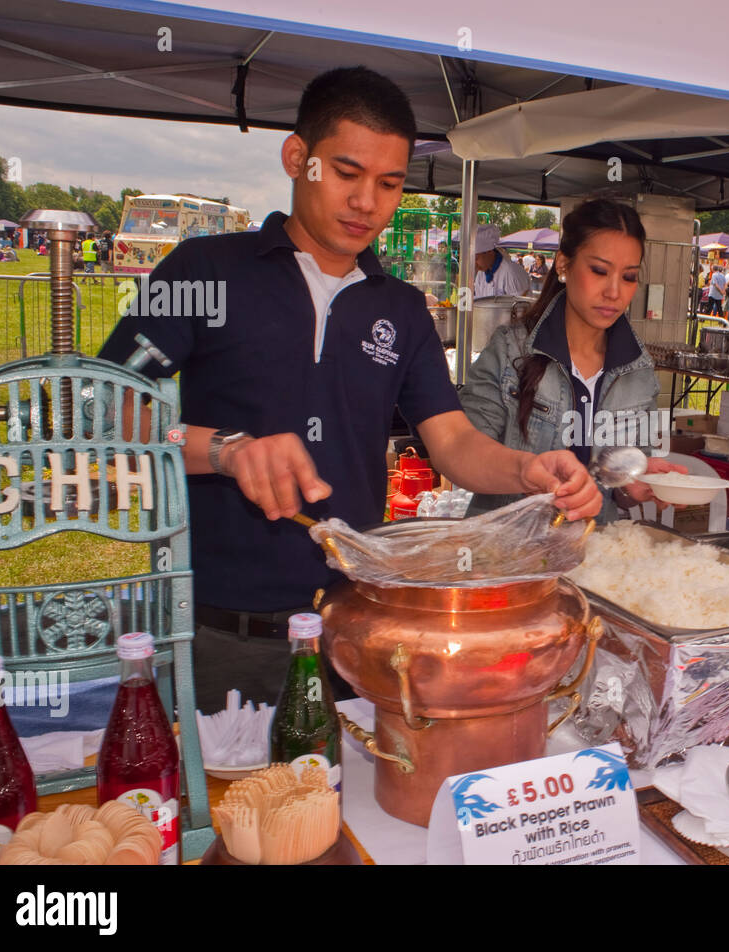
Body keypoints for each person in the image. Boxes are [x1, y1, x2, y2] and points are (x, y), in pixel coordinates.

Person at [98, 67, 600, 712]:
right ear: (297, 158)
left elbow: (449, 442)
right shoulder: (205, 271)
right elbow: (103, 409)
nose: (368, 201)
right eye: (346, 173)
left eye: (389, 184)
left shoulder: (403, 308)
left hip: (353, 626)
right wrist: (225, 449)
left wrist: (527, 467)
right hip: (215, 626)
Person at [461, 198, 685, 522]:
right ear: (564, 265)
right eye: (599, 271)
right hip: (506, 552)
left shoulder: (638, 371)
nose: (614, 292)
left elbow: (618, 488)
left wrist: (636, 481)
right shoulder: (511, 351)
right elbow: (464, 455)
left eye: (629, 277)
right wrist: (526, 472)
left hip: (591, 557)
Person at [471, 224, 530, 298]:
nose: (474, 265)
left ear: (489, 251)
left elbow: (521, 306)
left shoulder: (511, 272)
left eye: (476, 259)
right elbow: (479, 301)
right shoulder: (481, 274)